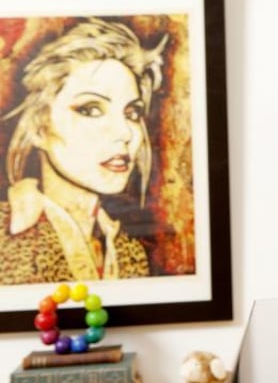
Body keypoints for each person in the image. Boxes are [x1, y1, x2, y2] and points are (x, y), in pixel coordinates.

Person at [0, 17, 166, 284]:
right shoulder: (4, 236)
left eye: (132, 113)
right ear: (38, 128)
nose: (125, 133)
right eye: (90, 109)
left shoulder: (130, 251)